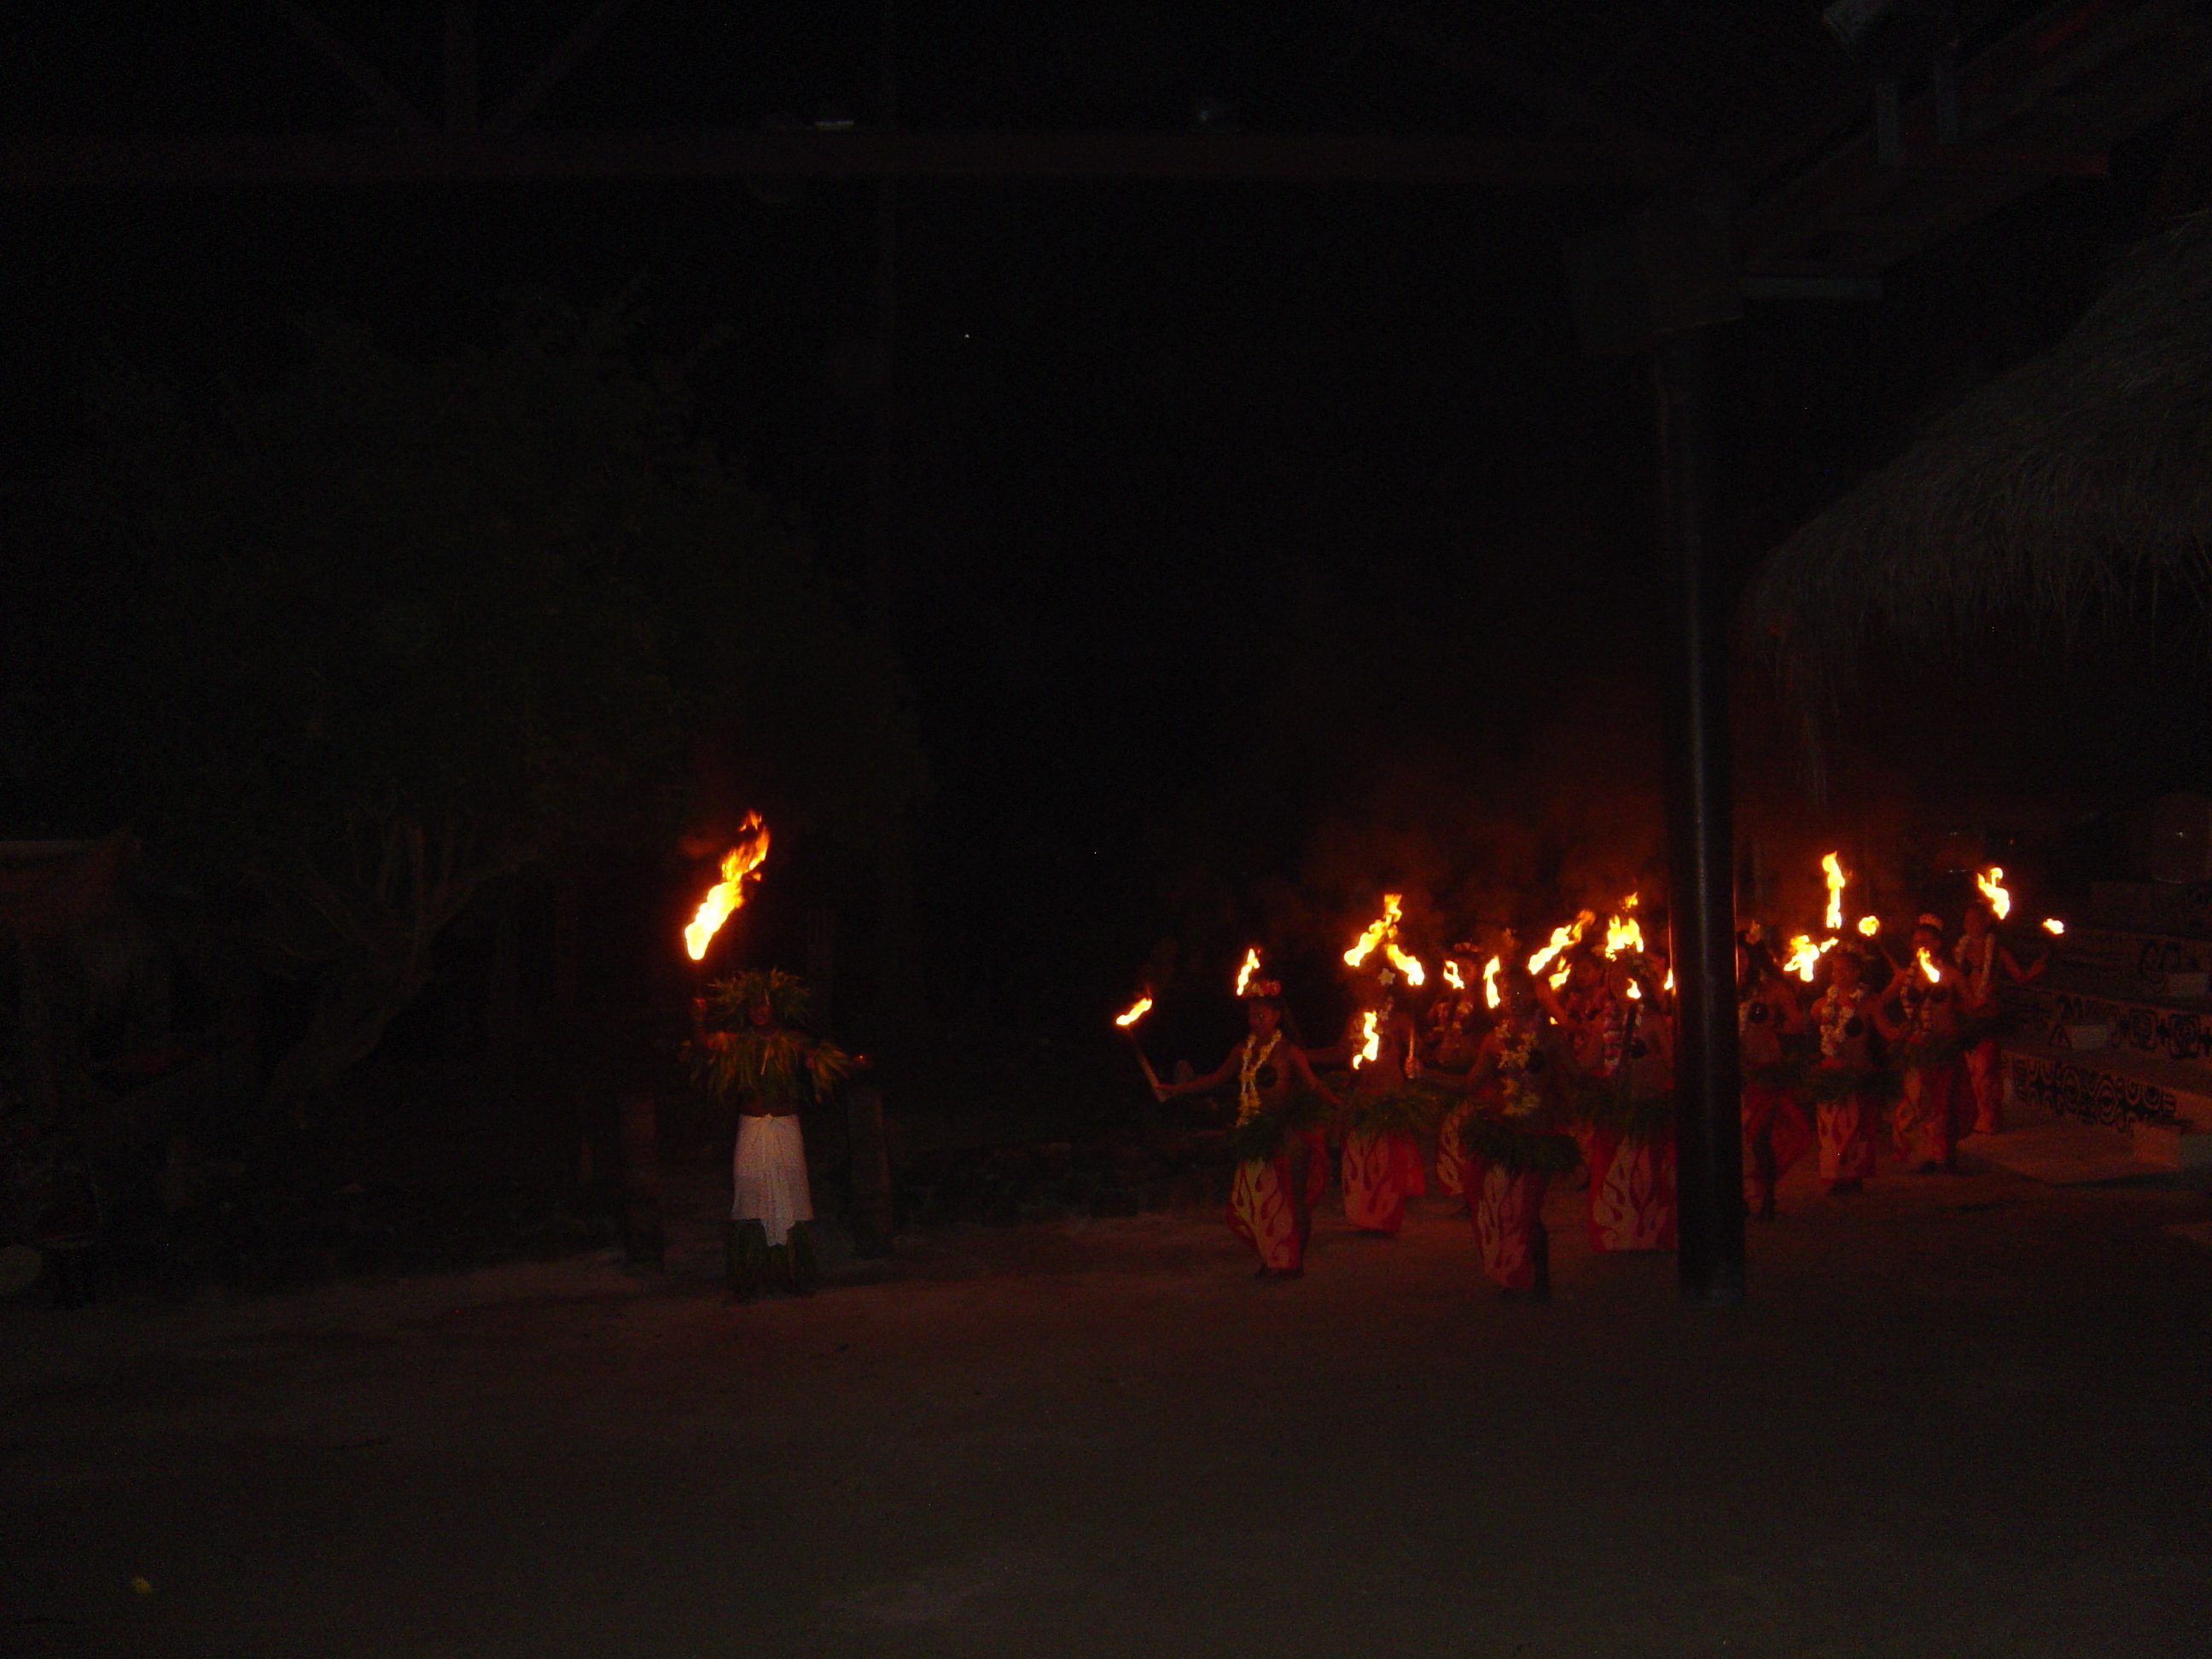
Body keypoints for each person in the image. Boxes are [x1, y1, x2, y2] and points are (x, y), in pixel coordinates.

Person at [689, 969, 855, 1298]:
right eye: (753, 1006)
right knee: (749, 1190)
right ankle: (748, 1278)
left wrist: (819, 1062)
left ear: (774, 1007)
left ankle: (792, 1274)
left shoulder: (792, 1041)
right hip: (752, 1125)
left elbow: (821, 1059)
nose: (759, 1011)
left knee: (789, 1194)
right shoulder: (738, 1042)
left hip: (785, 1125)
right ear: (746, 1011)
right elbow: (705, 1048)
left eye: (764, 1005)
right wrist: (697, 1019)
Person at [1157, 982, 1338, 1280]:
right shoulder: (1242, 1049)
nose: (1255, 1021)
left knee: (1292, 1197)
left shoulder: (1289, 1051)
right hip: (1255, 1130)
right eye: (1251, 1016)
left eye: (1261, 1015)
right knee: (1256, 1196)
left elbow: (1313, 1084)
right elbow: (1215, 1078)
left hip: (1288, 1130)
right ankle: (1273, 1255)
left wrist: (1334, 1101)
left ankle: (1294, 1263)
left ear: (1276, 1015)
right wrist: (1177, 1090)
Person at [1422, 964, 1579, 1300]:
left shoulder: (1550, 1037)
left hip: (1539, 1133)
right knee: (1500, 1207)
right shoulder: (1495, 1041)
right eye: (1508, 993)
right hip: (1504, 1130)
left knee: (1528, 1210)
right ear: (1500, 998)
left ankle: (1539, 1277)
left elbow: (1575, 1076)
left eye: (1521, 992)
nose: (1515, 999)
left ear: (1534, 995)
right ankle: (1512, 1272)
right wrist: (1425, 1075)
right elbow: (1469, 1084)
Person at [1310, 974, 1429, 1237]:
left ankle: (1385, 1218)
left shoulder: (1399, 1019)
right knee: (1358, 1159)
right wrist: (1303, 1056)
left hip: (1388, 1095)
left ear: (1383, 985)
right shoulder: (1356, 1019)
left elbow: (1418, 1052)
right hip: (1362, 1095)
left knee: (1386, 1161)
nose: (1365, 988)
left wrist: (1415, 1052)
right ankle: (1365, 1215)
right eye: (1362, 984)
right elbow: (1341, 1052)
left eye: (1371, 983)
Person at [1577, 955, 1678, 1251]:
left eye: (1625, 976)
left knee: (1646, 1175)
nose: (1618, 983)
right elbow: (1589, 1062)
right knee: (1614, 1174)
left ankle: (1649, 1234)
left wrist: (1648, 1056)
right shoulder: (1602, 1021)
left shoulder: (1654, 1019)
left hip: (1647, 1104)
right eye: (1613, 977)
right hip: (1616, 1108)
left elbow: (1673, 1062)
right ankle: (1616, 1233)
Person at [1877, 917, 1972, 1174]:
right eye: (1917, 942)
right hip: (1916, 1046)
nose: (1922, 946)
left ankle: (1943, 1154)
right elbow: (1877, 1003)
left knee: (1943, 1103)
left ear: (1939, 944)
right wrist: (1891, 1028)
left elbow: (1970, 1004)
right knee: (1917, 1101)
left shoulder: (1951, 974)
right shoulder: (1904, 976)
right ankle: (1923, 1153)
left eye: (1927, 942)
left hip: (1944, 1045)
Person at [1953, 901, 2043, 1135]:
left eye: (1975, 920)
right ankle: (1968, 1117)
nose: (1970, 925)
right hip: (1964, 1015)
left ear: (1987, 922)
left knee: (1985, 1071)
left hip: (1988, 1017)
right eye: (1967, 921)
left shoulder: (1997, 950)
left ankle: (1988, 1119)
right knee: (1968, 1070)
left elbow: (2019, 977)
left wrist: (2032, 972)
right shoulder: (1958, 951)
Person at [1738, 941, 1813, 1221]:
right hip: (1736, 1074)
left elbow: (1797, 1022)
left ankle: (1768, 1197)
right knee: (1738, 1141)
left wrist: (1773, 1025)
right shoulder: (1723, 987)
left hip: (1766, 1072)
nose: (1738, 961)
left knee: (1759, 1137)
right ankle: (1742, 1197)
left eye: (1743, 956)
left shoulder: (1773, 990)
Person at [1807, 946, 1883, 1194]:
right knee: (1831, 1129)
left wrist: (1902, 1034)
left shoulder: (1868, 1002)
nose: (1838, 975)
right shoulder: (1821, 1005)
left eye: (1844, 970)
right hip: (1830, 1073)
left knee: (1854, 1127)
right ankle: (1835, 1175)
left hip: (1857, 1072)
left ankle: (1852, 1174)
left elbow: (1886, 1030)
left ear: (1856, 972)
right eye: (1834, 970)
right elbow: (1817, 1036)